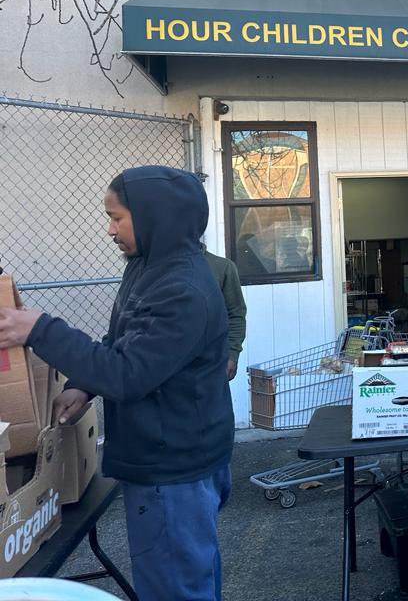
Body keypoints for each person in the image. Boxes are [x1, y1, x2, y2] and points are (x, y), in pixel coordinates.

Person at [0, 166, 234, 601]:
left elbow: (129, 375)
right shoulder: (147, 266)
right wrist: (83, 384)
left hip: (173, 472)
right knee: (190, 575)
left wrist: (40, 330)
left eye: (117, 217)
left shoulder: (182, 290)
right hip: (175, 457)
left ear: (153, 218)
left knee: (177, 589)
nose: (109, 230)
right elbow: (125, 342)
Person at [205, 248, 247, 381]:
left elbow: (236, 314)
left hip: (210, 365)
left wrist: (232, 354)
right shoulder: (147, 264)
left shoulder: (222, 267)